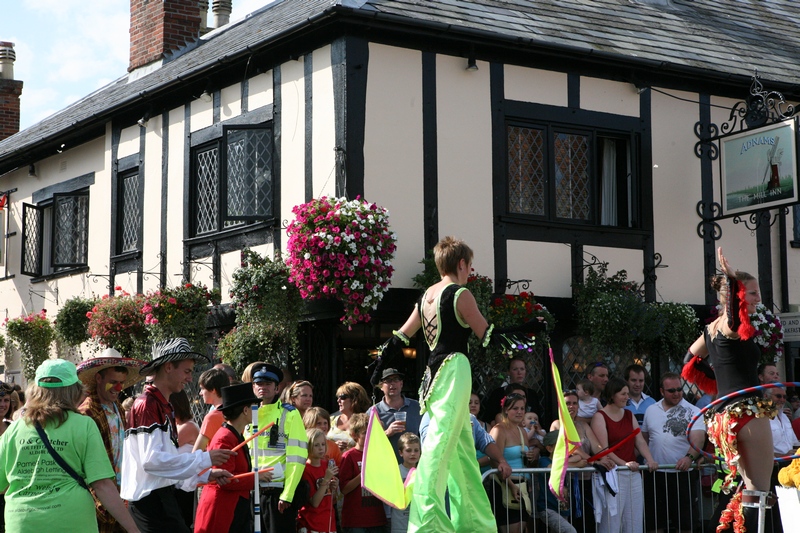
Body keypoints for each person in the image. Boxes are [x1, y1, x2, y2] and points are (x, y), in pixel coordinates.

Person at [372, 236, 540, 532]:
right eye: (469, 266)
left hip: (432, 377)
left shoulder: (426, 296)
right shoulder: (460, 294)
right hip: (455, 370)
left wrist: (380, 361)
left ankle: (475, 525)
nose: (470, 272)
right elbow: (487, 336)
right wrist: (526, 332)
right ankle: (428, 525)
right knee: (438, 447)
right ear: (461, 264)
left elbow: (401, 336)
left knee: (461, 450)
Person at [684, 248, 778, 532]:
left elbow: (688, 362)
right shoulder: (729, 324)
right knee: (759, 492)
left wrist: (718, 384)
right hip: (747, 412)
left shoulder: (709, 330)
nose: (758, 298)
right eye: (751, 293)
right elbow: (735, 320)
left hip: (725, 416)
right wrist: (732, 277)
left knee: (745, 489)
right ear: (735, 295)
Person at [0, 359, 140, 533]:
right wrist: (134, 529)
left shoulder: (14, 429)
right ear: (74, 390)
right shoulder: (84, 425)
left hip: (22, 521)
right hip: (71, 520)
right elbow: (102, 485)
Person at [121, 338, 233, 533]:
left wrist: (206, 474)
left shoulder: (161, 404)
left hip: (159, 499)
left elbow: (165, 463)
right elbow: (152, 461)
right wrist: (204, 459)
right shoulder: (148, 403)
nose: (190, 378)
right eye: (187, 371)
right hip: (150, 503)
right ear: (169, 367)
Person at [77, 348, 146, 533]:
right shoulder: (86, 414)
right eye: (113, 382)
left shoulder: (117, 408)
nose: (118, 388)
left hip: (122, 496)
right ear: (98, 378)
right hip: (100, 504)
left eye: (121, 383)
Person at [194, 382, 273, 533]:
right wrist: (257, 477)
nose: (256, 411)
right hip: (222, 509)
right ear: (245, 410)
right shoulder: (225, 438)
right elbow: (225, 479)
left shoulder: (235, 434)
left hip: (234, 508)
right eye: (253, 407)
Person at [591, 377, 658, 533]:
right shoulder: (600, 417)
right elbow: (604, 449)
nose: (627, 397)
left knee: (634, 520)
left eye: (627, 394)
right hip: (614, 473)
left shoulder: (629, 415)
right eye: (623, 394)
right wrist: (623, 463)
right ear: (612, 395)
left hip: (632, 472)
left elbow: (640, 441)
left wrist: (650, 459)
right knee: (612, 521)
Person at [641, 373, 706, 533]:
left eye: (679, 389)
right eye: (671, 390)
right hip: (654, 473)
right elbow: (644, 438)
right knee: (655, 522)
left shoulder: (694, 411)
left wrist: (689, 458)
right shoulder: (651, 410)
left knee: (685, 522)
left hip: (682, 473)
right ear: (662, 391)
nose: (676, 393)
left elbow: (698, 438)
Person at [251, 362, 308, 532]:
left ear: (277, 388)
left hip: (278, 493)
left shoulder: (289, 413)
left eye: (268, 384)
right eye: (259, 384)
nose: (263, 388)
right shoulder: (247, 413)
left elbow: (296, 459)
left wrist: (288, 494)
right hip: (252, 490)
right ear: (253, 387)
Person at [489, 393, 537, 532]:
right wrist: (510, 485)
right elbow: (494, 461)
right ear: (506, 410)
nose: (520, 412)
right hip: (505, 484)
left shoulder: (522, 430)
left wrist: (530, 456)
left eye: (522, 408)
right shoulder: (499, 430)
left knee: (522, 528)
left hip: (522, 485)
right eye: (515, 408)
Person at [340, 412, 387, 532]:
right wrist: (363, 474)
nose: (370, 435)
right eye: (365, 432)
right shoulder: (349, 456)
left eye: (372, 431)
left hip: (377, 518)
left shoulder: (380, 454)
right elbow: (344, 489)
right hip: (355, 521)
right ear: (354, 435)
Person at [297, 428, 339, 533]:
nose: (321, 448)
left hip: (329, 524)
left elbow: (330, 498)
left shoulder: (327, 464)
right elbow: (314, 502)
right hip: (311, 525)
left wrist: (334, 486)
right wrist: (326, 480)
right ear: (308, 446)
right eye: (316, 445)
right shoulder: (305, 469)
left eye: (323, 444)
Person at [374, 368, 422, 460]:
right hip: (387, 465)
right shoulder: (374, 412)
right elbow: (367, 442)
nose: (393, 383)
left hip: (414, 467)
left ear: (401, 384)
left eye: (396, 379)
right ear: (381, 386)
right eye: (388, 380)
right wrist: (387, 433)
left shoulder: (417, 407)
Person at [535, 431, 577, 533]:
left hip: (562, 508)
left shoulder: (567, 460)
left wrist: (575, 462)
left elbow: (582, 460)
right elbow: (552, 467)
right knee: (570, 531)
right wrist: (576, 464)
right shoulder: (544, 460)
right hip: (548, 508)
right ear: (549, 448)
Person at [171, 389, 200, 529]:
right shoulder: (177, 425)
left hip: (186, 487)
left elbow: (169, 447)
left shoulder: (188, 427)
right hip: (176, 485)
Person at [485, 356, 544, 423]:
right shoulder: (497, 393)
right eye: (515, 369)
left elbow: (538, 419)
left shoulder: (532, 394)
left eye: (522, 369)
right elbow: (490, 419)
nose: (519, 372)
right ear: (508, 372)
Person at [193, 367, 229, 452]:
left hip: (216, 464)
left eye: (202, 388)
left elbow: (196, 452)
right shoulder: (237, 412)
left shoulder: (212, 417)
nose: (200, 393)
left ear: (213, 389)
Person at [392, 432, 421, 533]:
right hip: (399, 524)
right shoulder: (395, 472)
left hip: (420, 524)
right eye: (408, 450)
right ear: (400, 453)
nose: (413, 453)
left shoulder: (424, 472)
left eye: (416, 450)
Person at [329, 381, 370, 452]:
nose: (338, 400)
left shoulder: (366, 422)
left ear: (355, 399)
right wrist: (333, 446)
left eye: (342, 397)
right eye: (338, 397)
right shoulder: (330, 420)